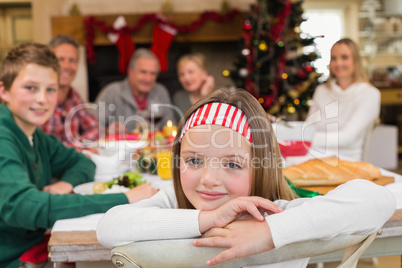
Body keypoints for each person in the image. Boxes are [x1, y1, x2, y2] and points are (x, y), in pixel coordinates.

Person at [97, 88, 395, 267]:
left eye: (232, 164)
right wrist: (206, 220)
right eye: (194, 160)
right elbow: (108, 227)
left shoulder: (274, 211)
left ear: (260, 167)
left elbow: (378, 199)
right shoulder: (174, 204)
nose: (209, 179)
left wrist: (269, 232)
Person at [0, 43, 158, 268]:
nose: (42, 99)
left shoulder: (35, 135)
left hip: (36, 248)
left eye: (50, 89)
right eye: (30, 88)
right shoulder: (4, 137)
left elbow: (82, 162)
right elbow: (24, 207)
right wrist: (124, 199)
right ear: (4, 90)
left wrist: (65, 183)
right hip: (13, 259)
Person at [306, 38, 381, 161]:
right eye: (333, 58)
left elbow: (347, 138)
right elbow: (308, 127)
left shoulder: (370, 94)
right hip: (312, 156)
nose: (338, 63)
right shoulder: (321, 91)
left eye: (344, 57)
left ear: (356, 61)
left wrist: (304, 138)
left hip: (346, 161)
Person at [40, 34, 101, 150]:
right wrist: (72, 150)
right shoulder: (40, 98)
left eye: (72, 60)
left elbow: (95, 128)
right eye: (60, 59)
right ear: (48, 63)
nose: (67, 66)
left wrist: (78, 145)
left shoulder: (73, 95)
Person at [96, 48, 175, 134]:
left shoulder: (161, 92)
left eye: (153, 73)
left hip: (154, 146)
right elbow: (94, 128)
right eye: (143, 72)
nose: (148, 79)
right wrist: (107, 131)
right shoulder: (111, 92)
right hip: (120, 146)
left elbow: (171, 128)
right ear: (130, 72)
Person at [173, 53, 215, 118]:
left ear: (204, 73)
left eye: (191, 72)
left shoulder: (220, 95)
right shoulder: (179, 97)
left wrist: (205, 95)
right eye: (181, 74)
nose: (186, 78)